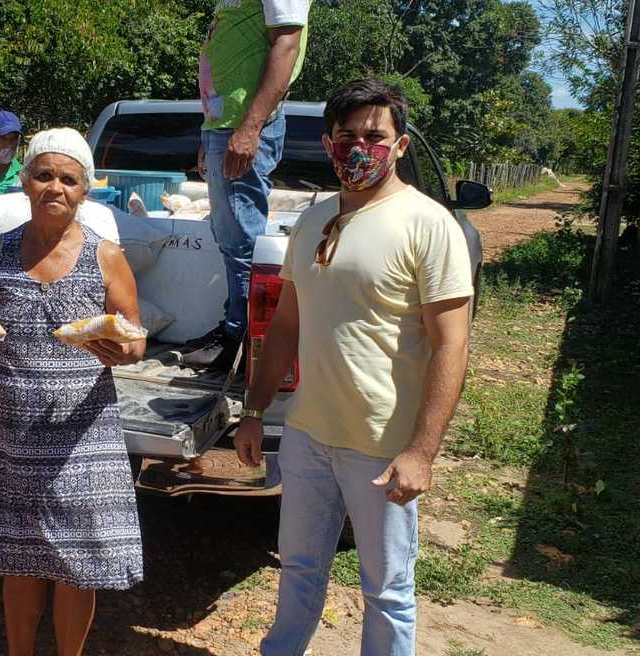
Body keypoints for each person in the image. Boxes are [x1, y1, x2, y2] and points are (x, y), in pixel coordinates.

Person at [234, 79, 473, 656]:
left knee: (387, 591)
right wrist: (255, 410)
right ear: (328, 143)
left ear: (400, 145)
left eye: (375, 136)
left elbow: (452, 345)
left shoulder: (428, 224)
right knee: (298, 566)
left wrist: (421, 452)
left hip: (382, 448)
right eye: (347, 136)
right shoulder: (312, 221)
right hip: (307, 435)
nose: (360, 147)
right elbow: (285, 326)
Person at [0, 128, 146, 656]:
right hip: (12, 428)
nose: (56, 187)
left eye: (69, 179)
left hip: (84, 431)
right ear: (25, 182)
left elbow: (135, 336)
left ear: (86, 190)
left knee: (81, 560)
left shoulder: (107, 256)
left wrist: (122, 350)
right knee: (20, 554)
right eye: (44, 175)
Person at [182, 0, 311, 371]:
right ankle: (233, 327)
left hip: (243, 125)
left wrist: (250, 128)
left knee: (241, 240)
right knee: (229, 236)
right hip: (224, 125)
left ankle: (240, 342)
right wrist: (210, 131)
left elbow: (287, 44)